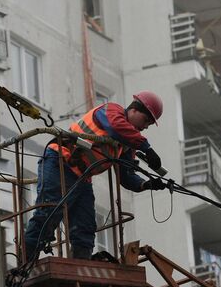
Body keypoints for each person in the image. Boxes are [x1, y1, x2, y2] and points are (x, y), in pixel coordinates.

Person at [24, 91, 167, 261]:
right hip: (60, 161)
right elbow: (116, 127)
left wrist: (147, 184)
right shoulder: (111, 110)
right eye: (146, 121)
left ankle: (81, 269)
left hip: (82, 178)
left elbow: (126, 176)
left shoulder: (127, 144)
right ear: (134, 110)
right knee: (48, 212)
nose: (145, 127)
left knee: (84, 227)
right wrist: (147, 148)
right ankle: (25, 264)